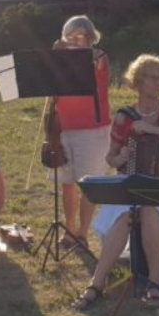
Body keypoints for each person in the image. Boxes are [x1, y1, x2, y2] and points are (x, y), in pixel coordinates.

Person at [73, 55, 159, 310]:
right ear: (138, 82)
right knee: (127, 216)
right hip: (131, 187)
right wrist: (120, 156)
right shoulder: (125, 117)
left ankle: (155, 282)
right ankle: (96, 284)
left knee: (148, 208)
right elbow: (111, 158)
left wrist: (154, 130)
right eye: (153, 78)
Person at [48, 15, 110, 251]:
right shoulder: (61, 62)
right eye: (69, 37)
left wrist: (81, 55)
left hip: (92, 131)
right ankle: (69, 230)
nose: (74, 41)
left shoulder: (99, 56)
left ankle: (82, 234)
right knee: (66, 183)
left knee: (88, 184)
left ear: (90, 37)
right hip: (65, 129)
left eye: (79, 36)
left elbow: (97, 62)